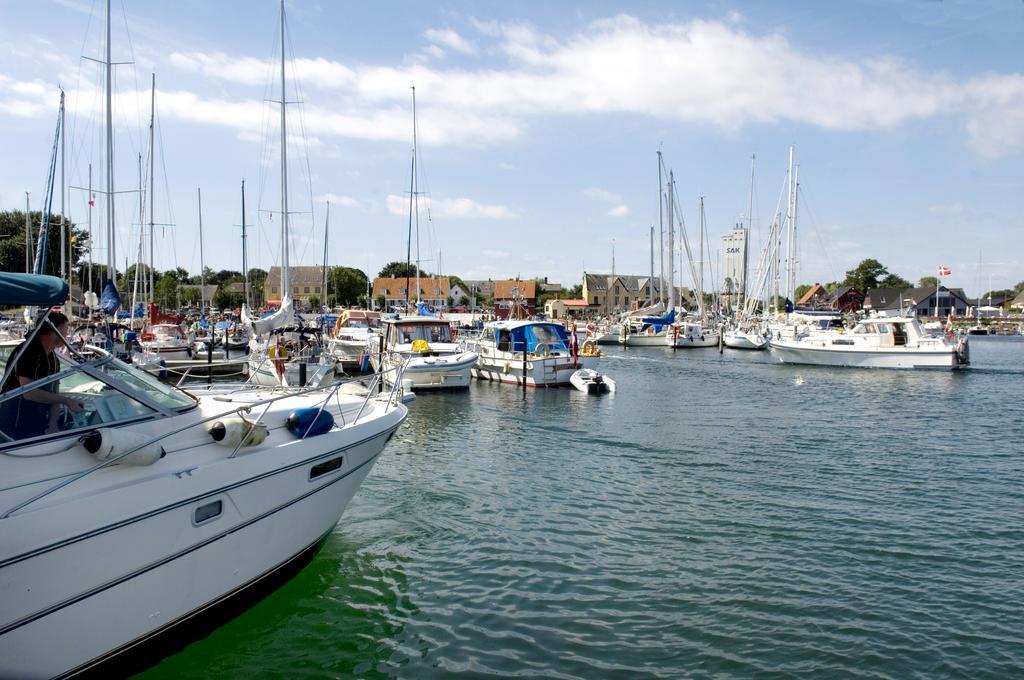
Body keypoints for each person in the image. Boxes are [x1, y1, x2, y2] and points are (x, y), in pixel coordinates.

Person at [0, 312, 84, 440]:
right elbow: (29, 393)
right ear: (54, 331)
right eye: (65, 330)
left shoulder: (53, 359)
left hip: (39, 421)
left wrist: (53, 426)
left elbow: (55, 392)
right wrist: (66, 401)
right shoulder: (28, 352)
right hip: (16, 423)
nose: (67, 335)